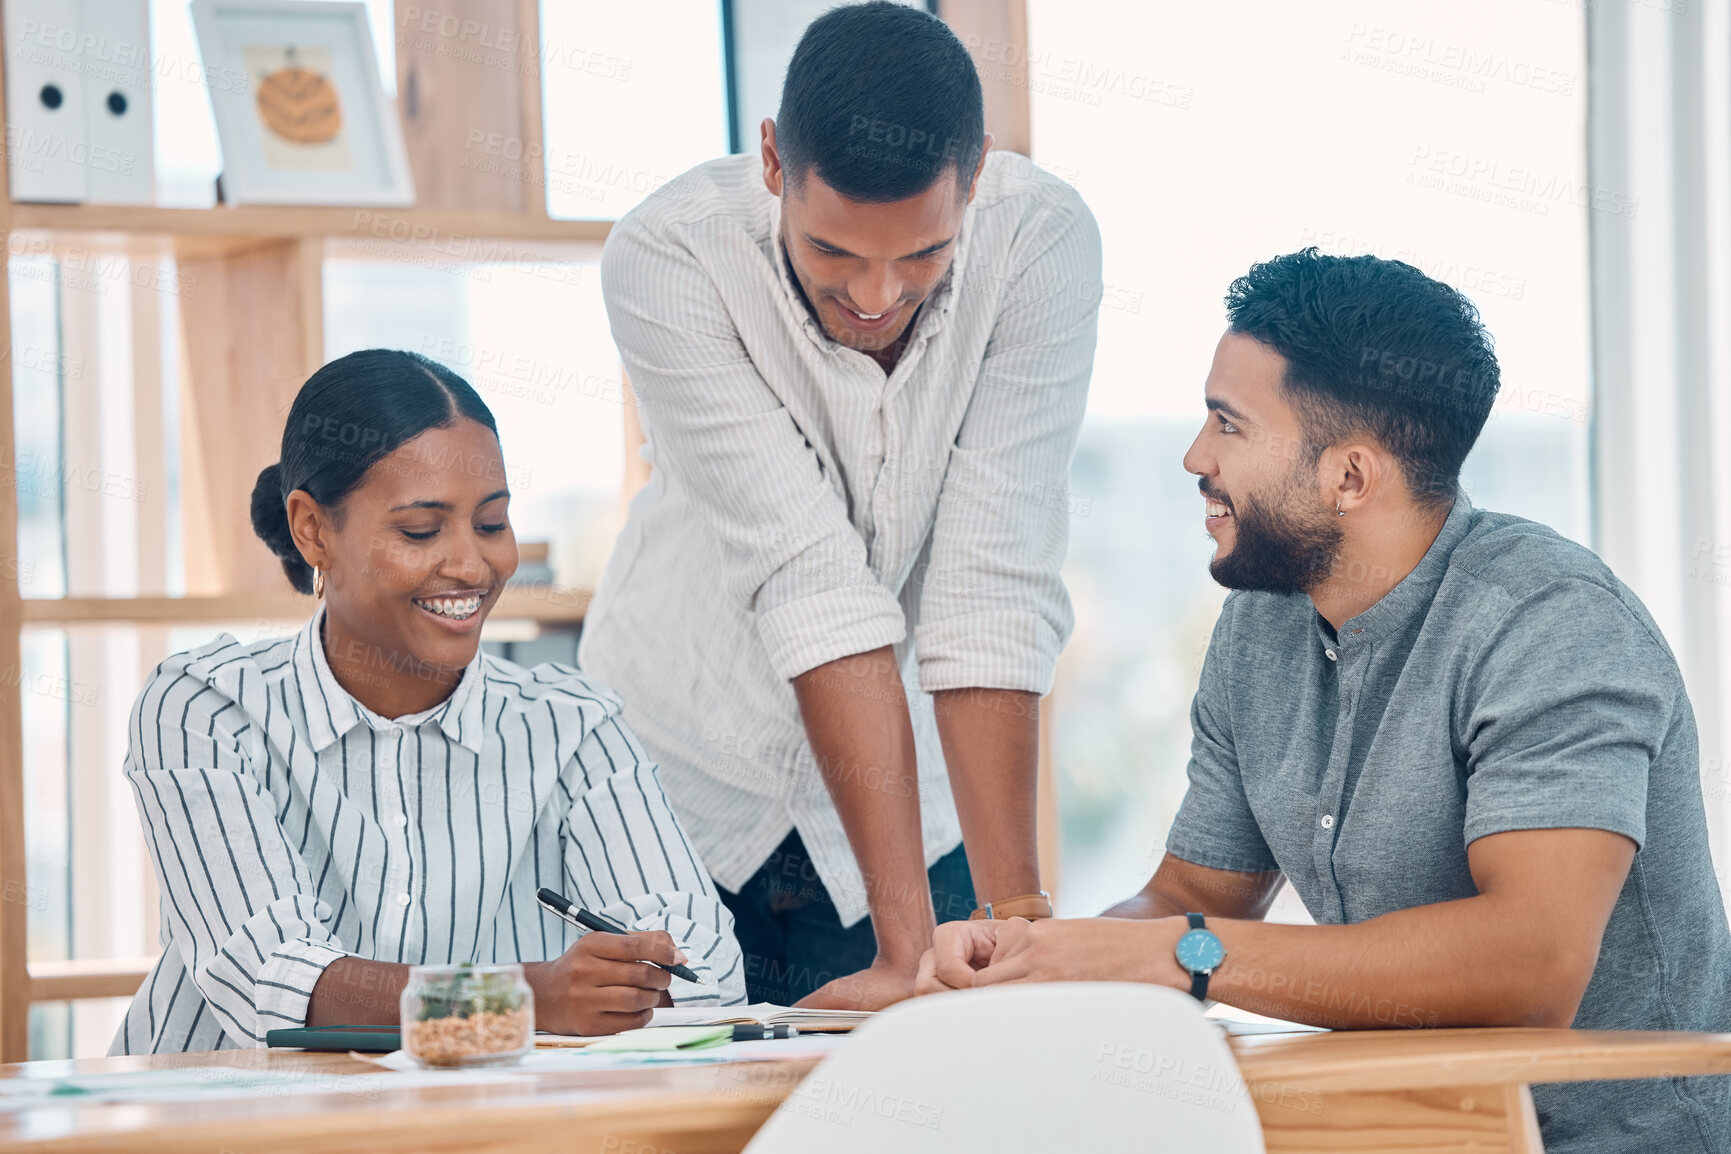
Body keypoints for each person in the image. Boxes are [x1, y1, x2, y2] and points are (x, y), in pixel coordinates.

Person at [919, 250, 1731, 1154]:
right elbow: (1188, 897)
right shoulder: (1258, 629)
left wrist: (1174, 956)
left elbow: (1529, 964)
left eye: (1227, 425)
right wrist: (1034, 961)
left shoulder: (1553, 623)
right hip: (1402, 1131)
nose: (1195, 457)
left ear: (1348, 477)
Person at [579, 1, 1101, 1009]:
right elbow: (809, 578)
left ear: (978, 173)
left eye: (920, 257)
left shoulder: (1043, 243)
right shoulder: (667, 258)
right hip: (677, 782)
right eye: (833, 254)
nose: (874, 294)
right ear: (772, 161)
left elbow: (993, 587)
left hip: (921, 801)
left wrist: (1019, 926)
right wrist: (911, 952)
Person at [112, 349, 745, 1054]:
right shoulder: (207, 708)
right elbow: (273, 986)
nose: (472, 566)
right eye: (420, 531)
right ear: (312, 530)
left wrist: (634, 977)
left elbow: (704, 977)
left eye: (492, 523)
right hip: (224, 1123)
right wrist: (526, 997)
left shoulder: (573, 726)